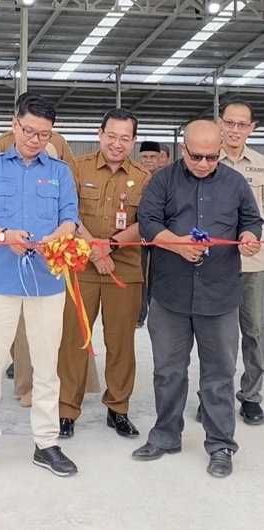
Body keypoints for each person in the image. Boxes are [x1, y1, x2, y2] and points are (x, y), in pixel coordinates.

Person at [133, 119, 262, 478]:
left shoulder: (236, 183)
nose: (204, 163)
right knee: (168, 372)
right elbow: (147, 222)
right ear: (182, 148)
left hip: (219, 296)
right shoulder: (162, 180)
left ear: (220, 150)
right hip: (170, 294)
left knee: (219, 374)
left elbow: (252, 220)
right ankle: (165, 436)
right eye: (196, 156)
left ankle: (220, 445)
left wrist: (250, 234)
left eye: (211, 156)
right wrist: (175, 243)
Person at [0, 94, 80, 480]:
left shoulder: (61, 171)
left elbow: (71, 220)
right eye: (29, 131)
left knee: (47, 365)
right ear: (14, 124)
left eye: (44, 134)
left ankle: (46, 443)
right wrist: (3, 234)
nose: (35, 139)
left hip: (48, 282)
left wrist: (56, 238)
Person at [57, 109, 150, 439]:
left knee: (121, 342)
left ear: (133, 141)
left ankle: (118, 409)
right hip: (80, 268)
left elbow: (147, 222)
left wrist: (109, 247)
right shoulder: (77, 168)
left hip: (122, 271)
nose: (117, 143)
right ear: (100, 133)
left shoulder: (143, 177)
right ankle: (67, 409)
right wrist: (94, 252)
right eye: (112, 135)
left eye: (125, 138)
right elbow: (67, 211)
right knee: (73, 341)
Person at [216, 100, 264, 426]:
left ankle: (251, 396)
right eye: (229, 123)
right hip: (214, 264)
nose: (234, 130)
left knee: (255, 332)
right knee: (217, 335)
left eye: (241, 124)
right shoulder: (205, 160)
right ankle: (215, 397)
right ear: (219, 123)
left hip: (253, 264)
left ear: (252, 128)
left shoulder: (261, 165)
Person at [137, 141, 162, 328]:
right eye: (144, 157)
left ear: (160, 159)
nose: (148, 161)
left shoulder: (166, 178)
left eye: (152, 157)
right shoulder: (135, 177)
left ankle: (157, 311)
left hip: (163, 235)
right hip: (139, 235)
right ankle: (139, 315)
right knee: (140, 273)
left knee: (158, 274)